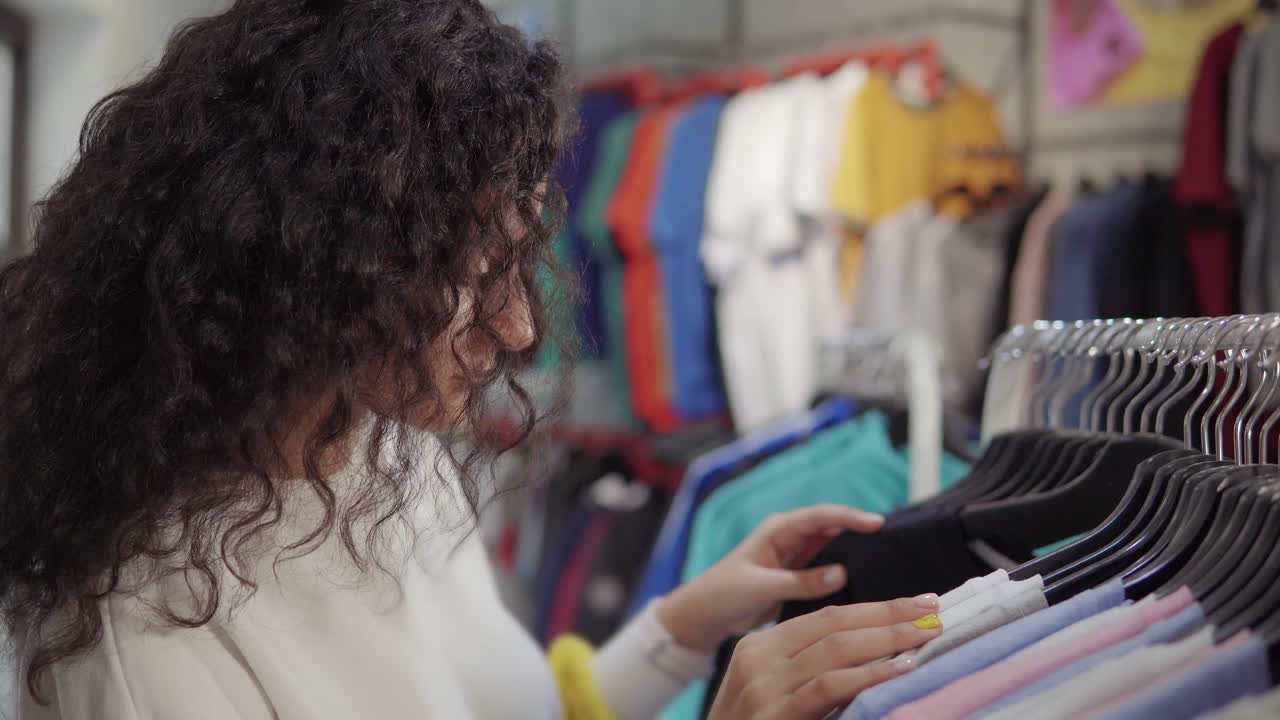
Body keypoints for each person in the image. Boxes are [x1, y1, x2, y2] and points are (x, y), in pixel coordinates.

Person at [0, 1, 942, 718]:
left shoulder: (381, 463)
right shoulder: (141, 636)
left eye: (518, 260)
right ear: (324, 256)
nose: (524, 326)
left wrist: (678, 630)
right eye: (477, 269)